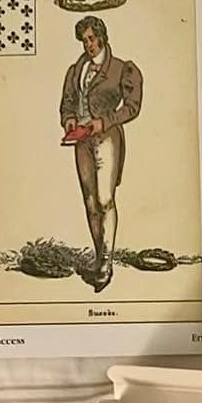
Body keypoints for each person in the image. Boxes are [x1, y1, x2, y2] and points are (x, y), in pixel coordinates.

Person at [59, 16, 142, 293]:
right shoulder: (76, 70)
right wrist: (70, 119)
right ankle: (99, 258)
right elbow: (68, 102)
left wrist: (104, 122)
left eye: (92, 39)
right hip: (81, 141)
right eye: (84, 40)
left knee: (105, 200)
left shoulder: (122, 69)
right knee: (90, 201)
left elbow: (132, 107)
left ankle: (106, 262)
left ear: (102, 37)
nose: (89, 45)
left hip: (106, 138)